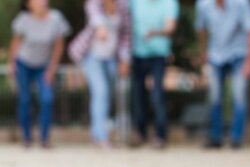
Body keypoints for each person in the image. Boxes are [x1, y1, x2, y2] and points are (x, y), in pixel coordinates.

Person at [196, 0, 250, 149]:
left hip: (239, 54)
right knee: (215, 98)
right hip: (215, 55)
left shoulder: (242, 3)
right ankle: (215, 138)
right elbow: (201, 29)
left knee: (238, 96)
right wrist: (203, 52)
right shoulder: (203, 5)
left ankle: (236, 138)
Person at [8, 0, 70, 148]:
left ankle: (44, 139)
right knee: (25, 100)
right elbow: (15, 43)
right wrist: (12, 65)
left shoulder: (56, 18)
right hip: (23, 64)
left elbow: (59, 45)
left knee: (47, 99)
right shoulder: (23, 19)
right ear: (29, 4)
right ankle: (27, 138)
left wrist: (52, 69)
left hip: (44, 66)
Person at [69, 0, 131, 149]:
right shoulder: (93, 4)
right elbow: (95, 19)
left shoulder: (123, 5)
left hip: (111, 58)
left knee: (107, 95)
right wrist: (101, 27)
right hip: (92, 56)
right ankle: (101, 137)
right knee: (100, 92)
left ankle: (96, 133)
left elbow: (126, 35)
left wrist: (125, 59)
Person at [130, 0, 179, 149]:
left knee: (157, 94)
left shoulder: (169, 3)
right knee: (138, 95)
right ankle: (140, 132)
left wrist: (156, 33)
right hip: (138, 53)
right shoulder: (134, 2)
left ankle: (160, 135)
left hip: (159, 53)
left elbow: (170, 27)